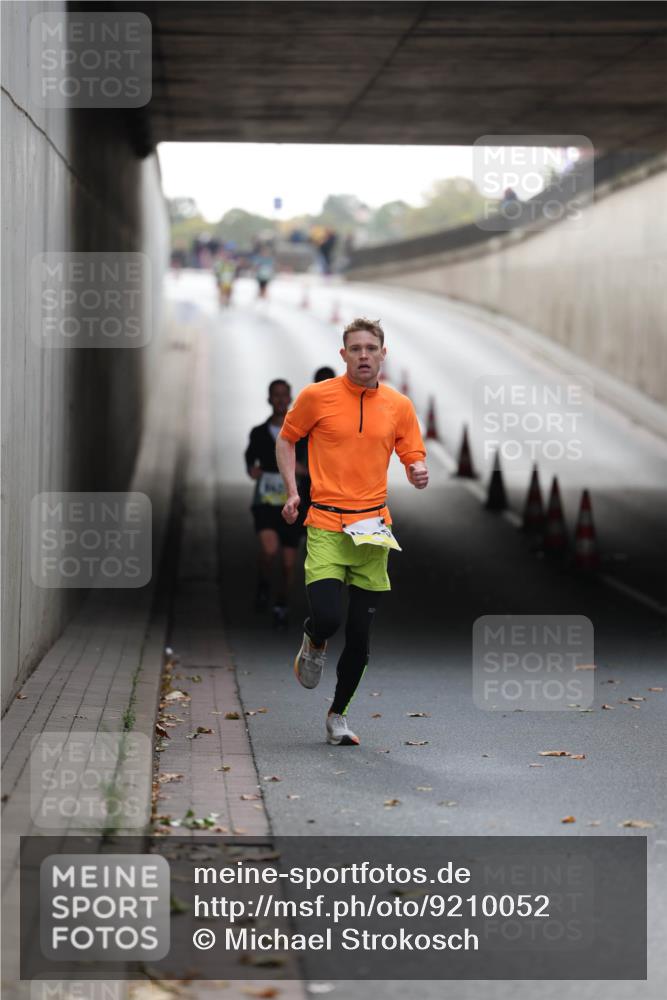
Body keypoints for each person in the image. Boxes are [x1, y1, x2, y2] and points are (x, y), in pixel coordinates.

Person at [276, 318, 428, 746]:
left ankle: (337, 716)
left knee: (360, 636)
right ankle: (314, 640)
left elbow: (412, 452)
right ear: (343, 355)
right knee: (328, 617)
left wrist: (417, 470)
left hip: (373, 530)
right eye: (356, 349)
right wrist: (292, 492)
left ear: (383, 354)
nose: (364, 355)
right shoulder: (317, 397)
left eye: (371, 348)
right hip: (326, 523)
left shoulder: (398, 405)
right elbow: (287, 439)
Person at [245, 380, 309, 629]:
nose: (281, 399)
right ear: (269, 399)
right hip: (265, 502)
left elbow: (316, 464)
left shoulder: (302, 434)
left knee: (289, 563)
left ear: (290, 398)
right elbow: (250, 458)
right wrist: (252, 469)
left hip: (293, 504)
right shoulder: (259, 433)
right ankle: (263, 583)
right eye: (276, 395)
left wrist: (304, 470)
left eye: (284, 395)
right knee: (270, 550)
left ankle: (281, 602)